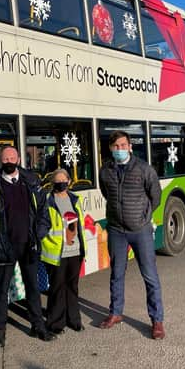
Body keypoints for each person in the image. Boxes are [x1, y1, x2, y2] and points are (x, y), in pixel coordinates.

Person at [0, 146, 54, 347]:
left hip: (28, 244)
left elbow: (43, 213)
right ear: (0, 160)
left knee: (33, 287)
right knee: (1, 291)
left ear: (19, 159)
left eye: (12, 157)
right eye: (5, 158)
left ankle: (38, 326)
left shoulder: (31, 182)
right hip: (4, 248)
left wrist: (38, 236)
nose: (9, 161)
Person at [98, 130, 165, 339]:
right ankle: (116, 313)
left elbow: (156, 197)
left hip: (140, 230)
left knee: (150, 276)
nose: (119, 149)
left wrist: (143, 217)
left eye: (123, 145)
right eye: (115, 146)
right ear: (111, 148)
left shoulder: (144, 169)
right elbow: (106, 192)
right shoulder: (105, 170)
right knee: (116, 274)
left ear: (130, 146)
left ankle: (157, 320)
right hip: (117, 230)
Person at [40, 168, 88, 335]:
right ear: (53, 183)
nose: (61, 183)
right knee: (57, 288)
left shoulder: (75, 199)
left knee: (72, 287)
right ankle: (55, 323)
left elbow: (79, 223)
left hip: (75, 251)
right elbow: (42, 226)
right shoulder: (47, 200)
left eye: (63, 180)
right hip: (56, 252)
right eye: (57, 181)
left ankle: (74, 320)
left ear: (68, 181)